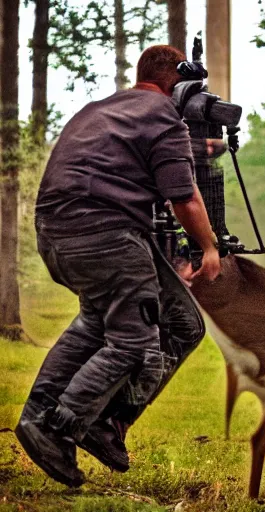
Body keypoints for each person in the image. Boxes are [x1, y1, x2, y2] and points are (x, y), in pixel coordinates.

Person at [15, 45, 221, 487]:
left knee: (169, 323)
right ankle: (62, 426)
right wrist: (208, 247)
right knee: (133, 343)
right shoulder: (162, 115)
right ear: (178, 86)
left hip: (58, 236)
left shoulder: (104, 108)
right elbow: (182, 197)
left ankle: (71, 421)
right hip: (104, 235)